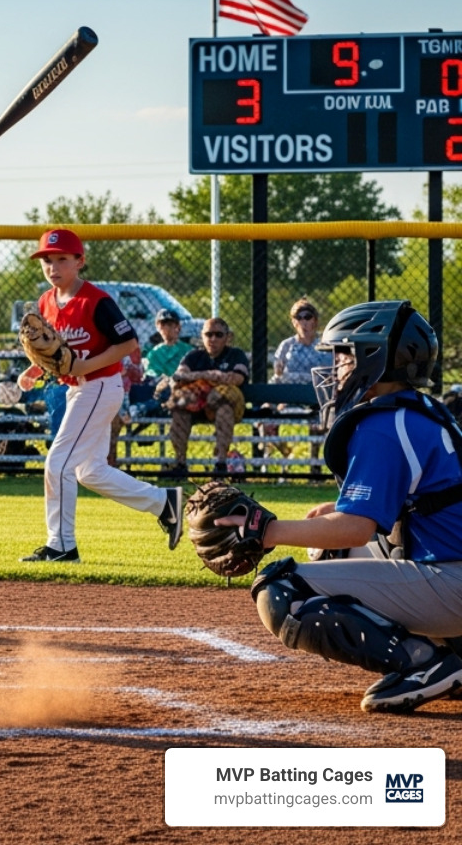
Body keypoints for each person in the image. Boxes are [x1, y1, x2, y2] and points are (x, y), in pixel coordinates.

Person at [239, 300, 462, 713]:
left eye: (344, 353)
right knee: (329, 545)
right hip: (452, 571)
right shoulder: (425, 411)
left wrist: (265, 529)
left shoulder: (384, 425)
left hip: (453, 582)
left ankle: (426, 664)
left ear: (374, 357)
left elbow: (357, 527)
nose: (337, 365)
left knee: (281, 590)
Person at [14, 230, 183, 563]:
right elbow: (56, 352)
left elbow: (128, 344)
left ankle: (61, 546)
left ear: (80, 261)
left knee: (58, 462)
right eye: (47, 260)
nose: (53, 266)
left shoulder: (96, 300)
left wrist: (85, 365)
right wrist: (34, 370)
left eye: (62, 258)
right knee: (89, 471)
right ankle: (164, 503)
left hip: (100, 386)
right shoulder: (47, 302)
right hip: (80, 389)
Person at [168, 316, 250, 475]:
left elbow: (237, 378)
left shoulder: (236, 355)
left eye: (218, 335)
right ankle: (180, 464)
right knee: (179, 412)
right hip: (195, 405)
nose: (213, 339)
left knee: (224, 410)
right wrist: (210, 375)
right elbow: (178, 376)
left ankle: (221, 464)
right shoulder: (193, 356)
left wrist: (197, 377)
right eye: (208, 334)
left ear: (228, 337)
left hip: (223, 405)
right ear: (202, 336)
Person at [260, 298, 322, 458]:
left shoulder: (324, 344)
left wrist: (291, 376)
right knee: (265, 415)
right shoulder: (286, 346)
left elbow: (327, 374)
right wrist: (280, 376)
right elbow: (278, 377)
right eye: (298, 318)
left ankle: (314, 464)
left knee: (321, 421)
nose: (303, 322)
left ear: (314, 320)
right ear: (294, 322)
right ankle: (285, 452)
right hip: (288, 397)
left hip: (317, 398)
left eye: (307, 317)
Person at [137, 308, 193, 414]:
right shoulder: (154, 353)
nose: (166, 328)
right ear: (158, 328)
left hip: (181, 387)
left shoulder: (188, 350)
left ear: (178, 327)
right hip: (160, 388)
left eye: (171, 324)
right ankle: (144, 408)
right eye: (162, 325)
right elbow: (152, 373)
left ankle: (144, 408)